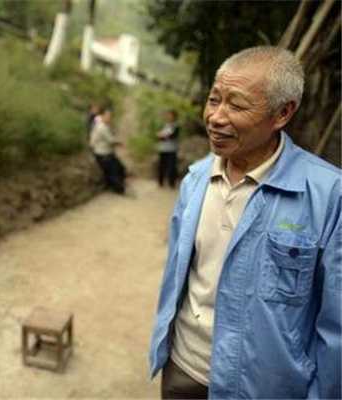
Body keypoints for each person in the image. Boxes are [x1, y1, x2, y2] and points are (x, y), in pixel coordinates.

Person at [149, 46, 341, 399]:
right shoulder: (195, 179)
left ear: (282, 113)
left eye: (236, 106)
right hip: (183, 369)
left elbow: (336, 324)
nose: (216, 117)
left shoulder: (329, 196)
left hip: (265, 390)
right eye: (214, 100)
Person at [89, 105, 127, 194]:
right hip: (103, 154)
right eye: (108, 115)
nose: (110, 117)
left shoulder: (101, 124)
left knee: (118, 169)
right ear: (102, 116)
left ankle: (111, 186)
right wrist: (121, 143)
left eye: (110, 116)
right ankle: (119, 189)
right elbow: (111, 141)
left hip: (105, 153)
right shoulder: (101, 127)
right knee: (114, 172)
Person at [156, 109, 179, 188]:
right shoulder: (165, 125)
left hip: (172, 149)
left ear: (174, 116)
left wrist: (163, 136)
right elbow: (159, 136)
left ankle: (171, 183)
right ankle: (160, 182)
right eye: (168, 115)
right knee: (161, 166)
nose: (169, 117)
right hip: (163, 149)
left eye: (170, 115)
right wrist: (163, 136)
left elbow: (172, 136)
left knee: (171, 166)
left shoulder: (176, 126)